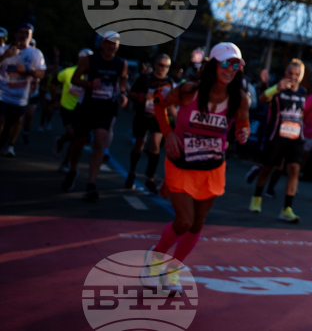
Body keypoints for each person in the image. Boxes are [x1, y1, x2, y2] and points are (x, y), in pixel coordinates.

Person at [144, 42, 250, 292]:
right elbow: (158, 103)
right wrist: (168, 133)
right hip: (181, 163)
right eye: (225, 63)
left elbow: (242, 124)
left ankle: (173, 269)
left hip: (212, 168)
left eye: (236, 65)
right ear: (213, 65)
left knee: (197, 224)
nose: (230, 69)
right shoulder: (189, 90)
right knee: (184, 221)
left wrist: (242, 132)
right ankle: (155, 257)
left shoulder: (239, 98)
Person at [63, 32, 129, 200]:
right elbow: (75, 79)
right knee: (79, 142)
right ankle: (72, 170)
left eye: (114, 43)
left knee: (99, 143)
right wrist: (89, 84)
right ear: (102, 44)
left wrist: (122, 94)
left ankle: (91, 183)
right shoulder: (89, 60)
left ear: (118, 46)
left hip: (105, 108)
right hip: (87, 106)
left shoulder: (121, 63)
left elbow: (123, 80)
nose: (111, 46)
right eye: (108, 43)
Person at [250, 59, 308, 222]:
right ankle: (257, 197)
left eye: (297, 74)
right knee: (268, 168)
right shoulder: (278, 88)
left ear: (301, 76)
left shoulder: (302, 92)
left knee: (294, 169)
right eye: (291, 73)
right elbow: (262, 99)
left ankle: (287, 209)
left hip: (296, 137)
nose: (294, 77)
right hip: (276, 136)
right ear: (286, 74)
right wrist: (276, 88)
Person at [126, 54, 175, 192]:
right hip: (142, 116)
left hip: (158, 118)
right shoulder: (145, 78)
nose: (163, 68)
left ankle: (150, 178)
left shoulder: (169, 81)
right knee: (139, 144)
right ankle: (132, 172)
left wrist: (175, 119)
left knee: (155, 144)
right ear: (155, 65)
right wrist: (141, 96)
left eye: (167, 66)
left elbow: (171, 103)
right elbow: (131, 93)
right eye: (161, 65)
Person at [0, 23, 47, 156]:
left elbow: (41, 74)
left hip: (20, 97)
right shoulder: (3, 50)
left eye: (27, 33)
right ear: (15, 34)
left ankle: (10, 145)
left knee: (15, 123)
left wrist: (27, 70)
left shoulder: (35, 53)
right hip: (2, 94)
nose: (24, 35)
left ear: (31, 36)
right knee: (1, 120)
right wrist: (5, 57)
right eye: (21, 32)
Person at [52, 49, 92, 167]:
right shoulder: (68, 72)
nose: (87, 62)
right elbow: (54, 83)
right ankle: (66, 162)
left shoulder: (92, 76)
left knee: (76, 137)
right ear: (79, 59)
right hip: (67, 108)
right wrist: (55, 100)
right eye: (84, 59)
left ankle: (62, 145)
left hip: (83, 110)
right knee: (75, 136)